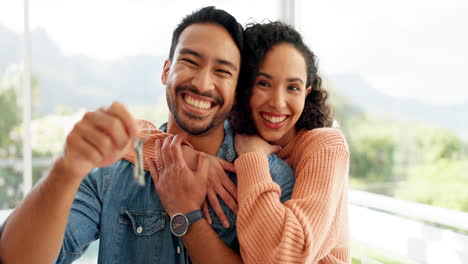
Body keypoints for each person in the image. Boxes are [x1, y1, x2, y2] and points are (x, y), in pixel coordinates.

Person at [0, 7, 295, 264]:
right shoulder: (111, 169)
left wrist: (187, 215)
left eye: (222, 71)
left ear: (236, 90)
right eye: (189, 62)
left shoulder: (271, 179)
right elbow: (16, 258)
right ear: (166, 71)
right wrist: (66, 169)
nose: (203, 83)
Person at [231, 22, 351, 263]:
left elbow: (287, 256)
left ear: (306, 93)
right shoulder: (233, 135)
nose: (278, 102)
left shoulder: (325, 146)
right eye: (263, 83)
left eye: (293, 88)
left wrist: (253, 157)